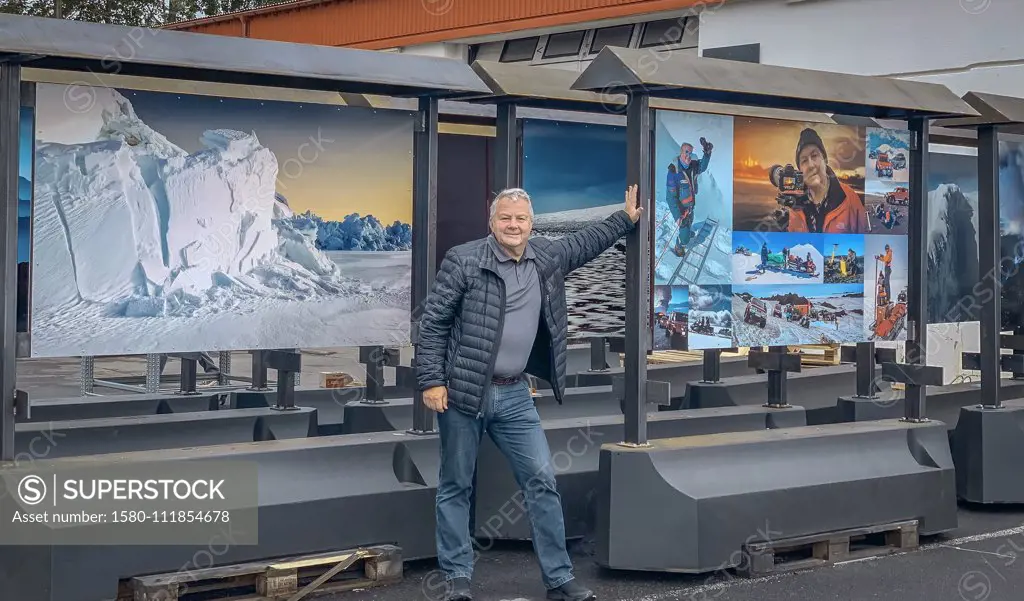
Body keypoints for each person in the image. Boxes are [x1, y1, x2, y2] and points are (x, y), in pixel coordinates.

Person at [415, 186, 643, 601]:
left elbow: (585, 242)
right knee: (456, 486)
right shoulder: (465, 260)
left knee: (541, 480)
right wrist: (431, 380)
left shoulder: (545, 257)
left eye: (521, 218)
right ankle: (457, 580)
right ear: (492, 222)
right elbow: (432, 324)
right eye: (506, 218)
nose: (513, 225)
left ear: (531, 223)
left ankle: (559, 579)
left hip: (516, 394)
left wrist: (624, 218)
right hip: (464, 394)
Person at [787, 128, 868, 234]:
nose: (811, 165)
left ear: (825, 160)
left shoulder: (850, 199)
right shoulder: (795, 207)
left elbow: (865, 240)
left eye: (814, 156)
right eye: (804, 161)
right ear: (800, 171)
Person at [666, 137, 713, 257]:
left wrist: (707, 154)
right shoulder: (673, 172)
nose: (688, 155)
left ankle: (686, 232)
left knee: (691, 221)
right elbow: (670, 198)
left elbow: (702, 166)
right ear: (681, 152)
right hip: (682, 211)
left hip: (691, 206)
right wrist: (678, 217)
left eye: (690, 153)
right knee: (685, 235)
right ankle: (680, 244)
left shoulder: (692, 166)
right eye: (686, 152)